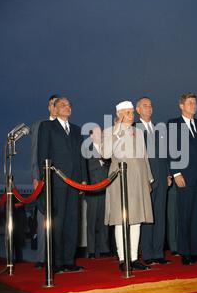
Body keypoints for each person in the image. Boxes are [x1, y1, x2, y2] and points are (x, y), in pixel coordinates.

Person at [38, 97, 88, 273]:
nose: (68, 107)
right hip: (56, 182)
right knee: (57, 223)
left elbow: (82, 157)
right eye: (63, 105)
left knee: (73, 222)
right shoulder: (47, 126)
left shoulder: (76, 129)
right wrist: (44, 179)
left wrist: (83, 179)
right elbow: (42, 154)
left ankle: (69, 260)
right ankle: (55, 262)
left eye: (69, 105)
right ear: (54, 108)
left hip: (74, 183)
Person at [102, 100, 154, 271]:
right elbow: (105, 153)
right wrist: (117, 130)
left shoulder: (137, 132)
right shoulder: (109, 131)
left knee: (136, 219)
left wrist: (148, 179)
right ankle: (123, 258)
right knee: (120, 219)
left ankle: (133, 258)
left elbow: (144, 158)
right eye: (129, 113)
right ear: (119, 114)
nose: (132, 116)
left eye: (132, 112)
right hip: (120, 180)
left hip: (138, 180)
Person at [168, 92, 197, 265]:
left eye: (195, 103)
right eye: (190, 103)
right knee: (185, 214)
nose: (194, 106)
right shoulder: (174, 124)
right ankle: (185, 252)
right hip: (184, 176)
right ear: (181, 105)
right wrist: (176, 173)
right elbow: (171, 150)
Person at [135, 97, 172, 265]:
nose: (149, 108)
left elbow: (165, 155)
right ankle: (148, 253)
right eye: (145, 105)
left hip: (162, 178)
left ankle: (158, 252)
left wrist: (168, 174)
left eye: (150, 105)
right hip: (145, 180)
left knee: (160, 216)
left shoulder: (159, 130)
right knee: (147, 217)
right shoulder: (134, 129)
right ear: (137, 110)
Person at [30, 94, 59, 269]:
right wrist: (35, 176)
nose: (55, 106)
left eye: (58, 103)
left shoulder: (66, 127)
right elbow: (34, 153)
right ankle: (42, 258)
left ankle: (58, 257)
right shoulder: (39, 125)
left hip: (62, 180)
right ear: (49, 107)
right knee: (43, 220)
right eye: (52, 104)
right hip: (43, 179)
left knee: (60, 220)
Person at [84, 127, 111, 258]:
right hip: (92, 190)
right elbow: (85, 169)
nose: (100, 134)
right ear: (91, 136)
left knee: (104, 221)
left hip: (105, 190)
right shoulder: (86, 150)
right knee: (92, 221)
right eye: (97, 133)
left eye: (101, 132)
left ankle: (104, 249)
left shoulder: (107, 149)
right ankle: (91, 250)